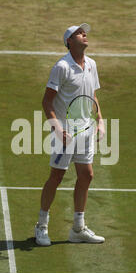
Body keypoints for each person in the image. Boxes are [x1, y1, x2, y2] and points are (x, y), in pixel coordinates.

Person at [34, 23, 105, 246]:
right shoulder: (61, 67)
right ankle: (41, 226)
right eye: (79, 34)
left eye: (84, 33)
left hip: (85, 131)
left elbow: (92, 95)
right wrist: (57, 128)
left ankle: (78, 228)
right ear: (69, 42)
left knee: (87, 176)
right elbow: (47, 101)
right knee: (56, 177)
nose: (84, 35)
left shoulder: (92, 65)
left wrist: (100, 120)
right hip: (64, 132)